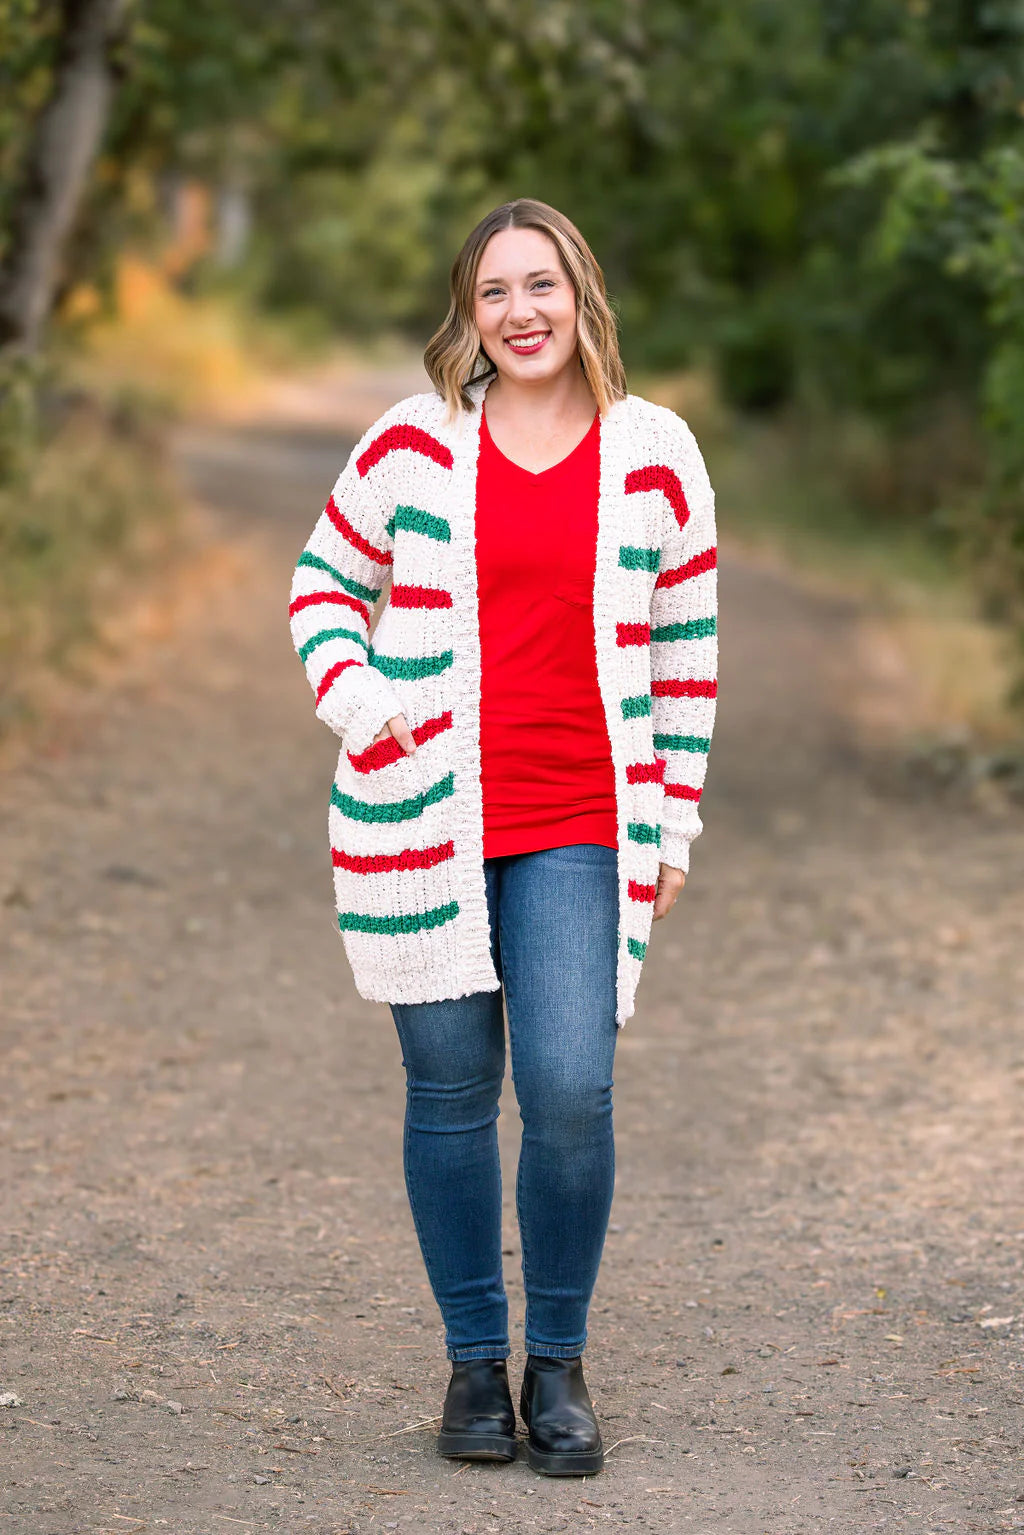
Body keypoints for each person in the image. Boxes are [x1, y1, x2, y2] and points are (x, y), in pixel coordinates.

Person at [288, 198, 718, 1477]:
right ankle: (474, 1365)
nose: (520, 313)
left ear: (583, 296)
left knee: (572, 1092)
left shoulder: (655, 454)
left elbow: (684, 655)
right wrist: (367, 713)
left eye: (541, 286)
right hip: (420, 814)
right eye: (493, 293)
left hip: (584, 818)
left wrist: (674, 821)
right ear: (468, 316)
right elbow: (322, 585)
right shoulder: (413, 446)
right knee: (451, 1092)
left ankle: (559, 1361)